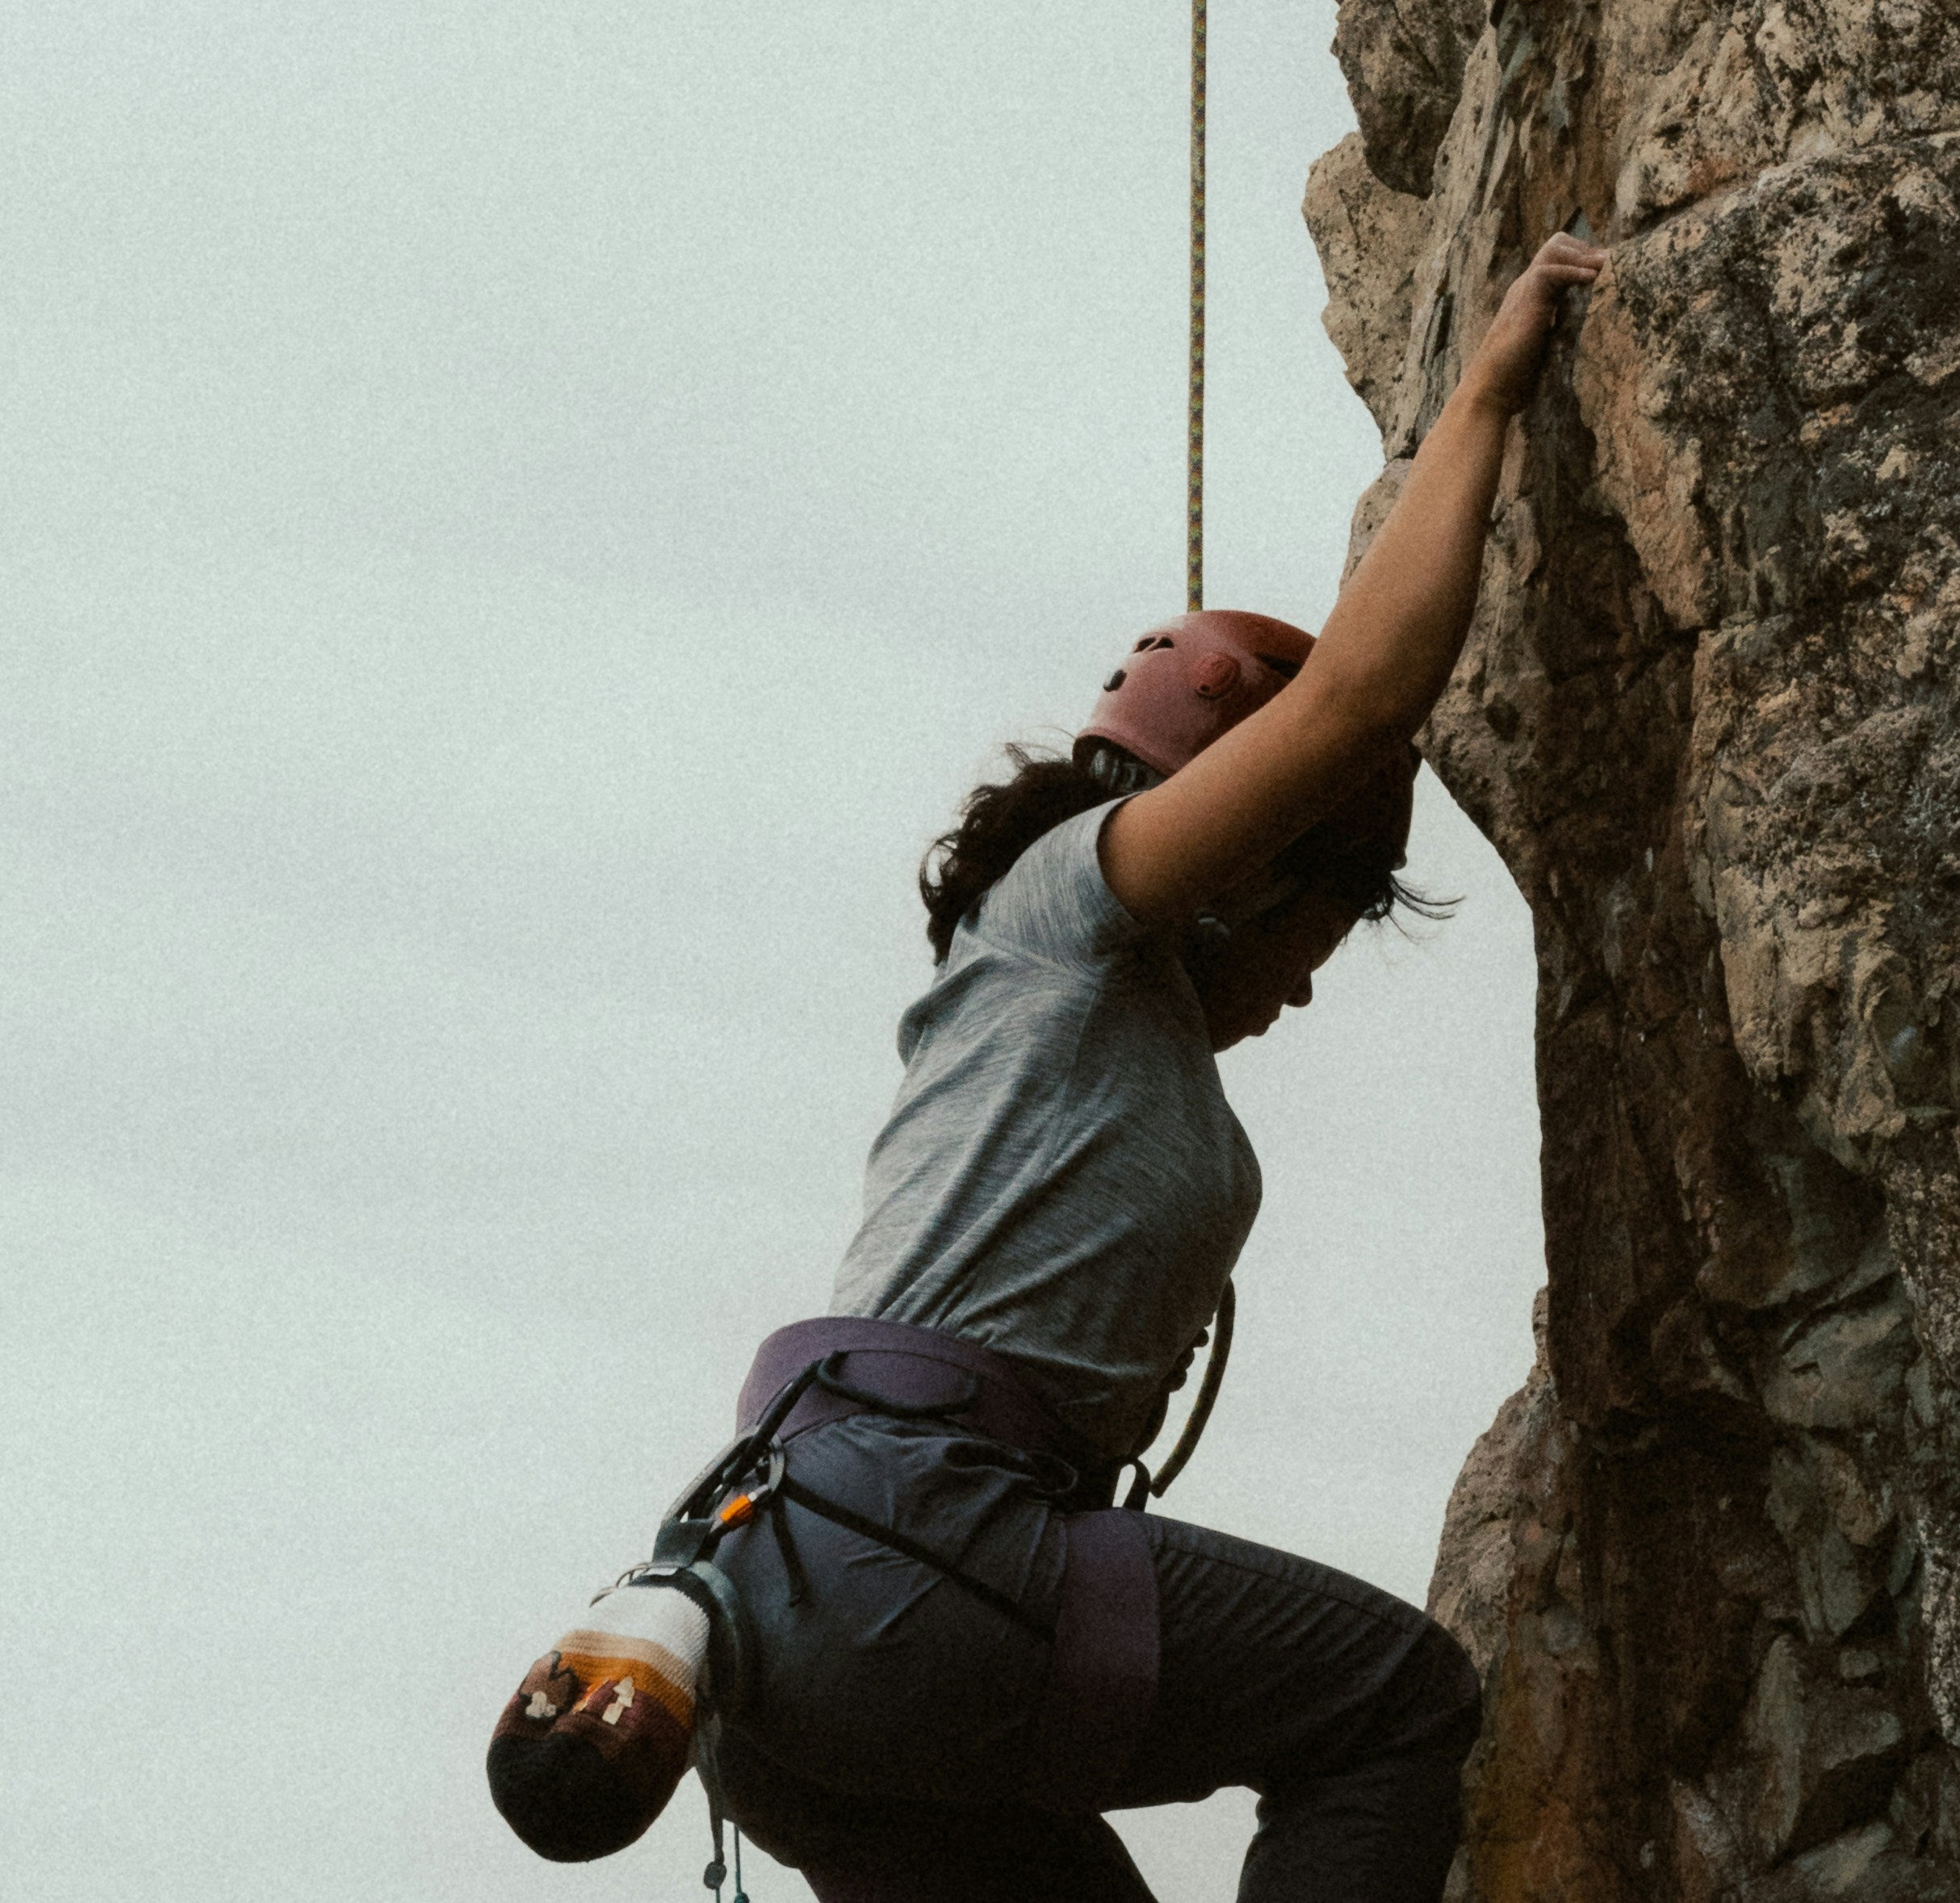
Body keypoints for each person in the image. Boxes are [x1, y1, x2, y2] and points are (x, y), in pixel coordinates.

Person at [489, 229, 1603, 1901]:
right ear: (1249, 869)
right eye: (1322, 929)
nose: (1306, 989)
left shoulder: (1064, 1011)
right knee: (1387, 1701)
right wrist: (1493, 388)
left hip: (796, 1627)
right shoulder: (1068, 907)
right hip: (916, 1546)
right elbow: (1364, 700)